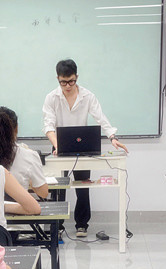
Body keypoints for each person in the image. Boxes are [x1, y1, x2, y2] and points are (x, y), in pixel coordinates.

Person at [43, 58, 127, 238]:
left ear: (77, 77)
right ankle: (57, 226)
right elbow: (48, 126)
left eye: (71, 81)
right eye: (63, 82)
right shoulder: (51, 98)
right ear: (57, 78)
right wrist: (58, 146)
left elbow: (101, 118)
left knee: (83, 187)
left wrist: (112, 137)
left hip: (82, 147)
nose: (67, 86)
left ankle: (82, 225)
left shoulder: (87, 96)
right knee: (58, 188)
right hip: (59, 146)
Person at [0, 106, 49, 199]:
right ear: (16, 129)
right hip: (18, 206)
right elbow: (43, 193)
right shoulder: (29, 156)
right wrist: (30, 180)